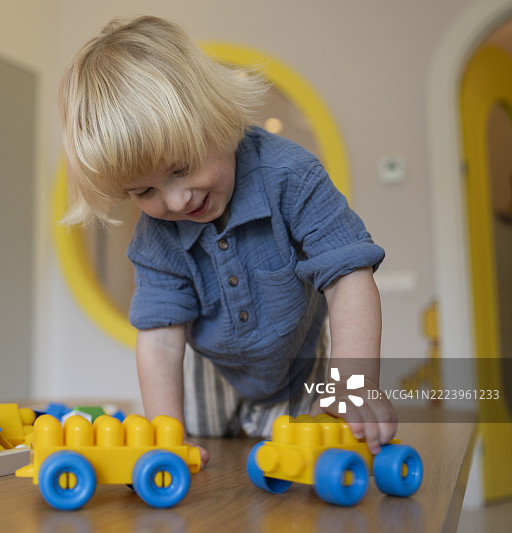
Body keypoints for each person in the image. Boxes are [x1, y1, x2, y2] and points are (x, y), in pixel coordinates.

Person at [58, 15, 396, 467]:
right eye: (144, 192)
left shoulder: (291, 176)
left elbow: (348, 278)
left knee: (319, 457)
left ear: (217, 118)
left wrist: (353, 386)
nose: (176, 201)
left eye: (181, 167)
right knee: (210, 472)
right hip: (210, 372)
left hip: (298, 367)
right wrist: (166, 438)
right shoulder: (156, 234)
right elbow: (159, 340)